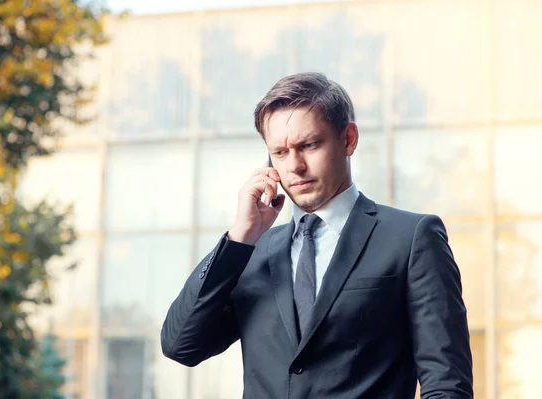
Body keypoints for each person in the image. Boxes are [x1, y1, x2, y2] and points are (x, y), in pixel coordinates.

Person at [161, 72, 473, 398]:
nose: (294, 166)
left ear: (348, 139)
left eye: (309, 145)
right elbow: (181, 345)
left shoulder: (412, 239)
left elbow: (447, 384)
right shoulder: (250, 252)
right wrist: (239, 237)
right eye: (279, 153)